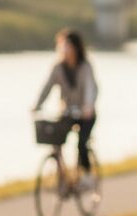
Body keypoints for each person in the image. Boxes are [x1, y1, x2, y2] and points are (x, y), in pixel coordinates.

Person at [33, 28, 98, 188]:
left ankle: (88, 176)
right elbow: (47, 87)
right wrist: (37, 105)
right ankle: (62, 177)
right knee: (56, 139)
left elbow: (90, 87)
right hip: (67, 113)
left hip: (85, 114)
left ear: (76, 48)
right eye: (63, 46)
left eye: (68, 46)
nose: (65, 50)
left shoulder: (85, 67)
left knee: (81, 143)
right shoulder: (58, 68)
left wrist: (88, 106)